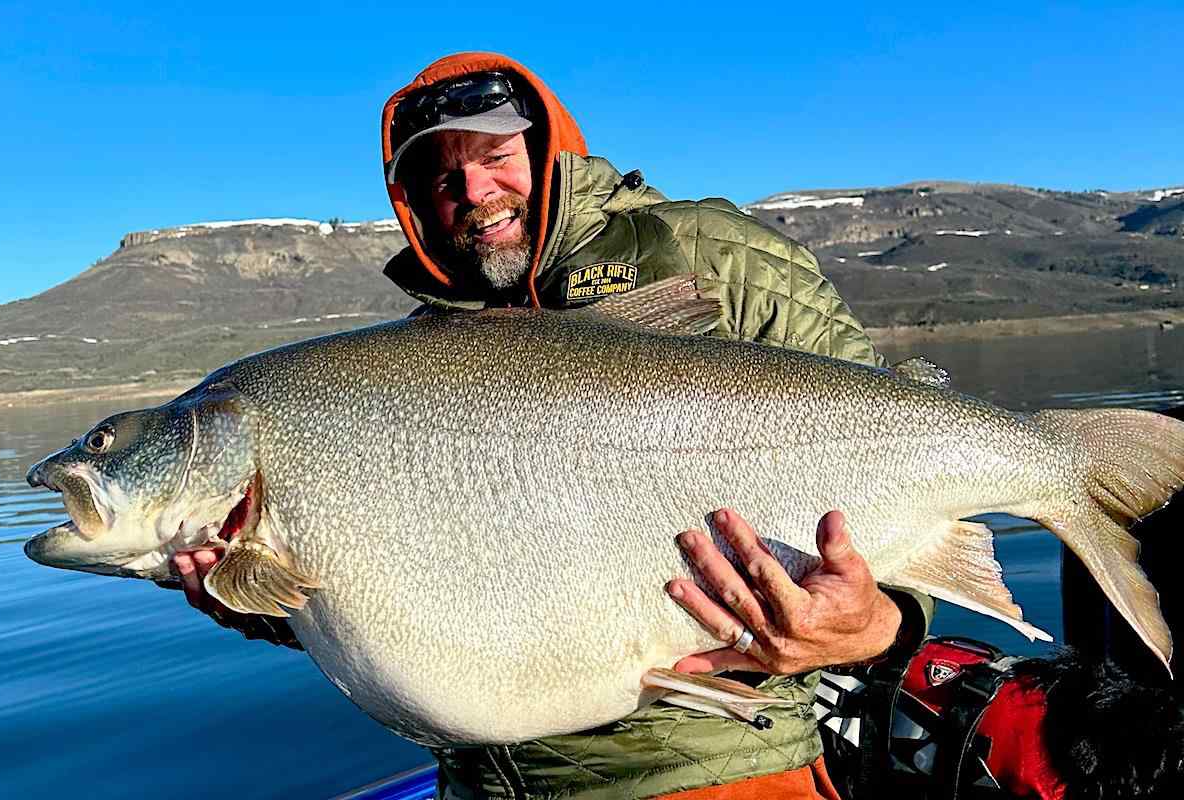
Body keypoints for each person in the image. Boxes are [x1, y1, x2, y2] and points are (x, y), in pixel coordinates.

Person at [172, 52, 933, 799]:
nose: (474, 188)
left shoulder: (715, 254)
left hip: (715, 770)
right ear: (415, 204)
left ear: (547, 150)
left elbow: (907, 460)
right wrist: (255, 599)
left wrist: (881, 626)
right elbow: (394, 594)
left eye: (496, 155)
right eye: (442, 176)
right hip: (485, 782)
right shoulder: (408, 367)